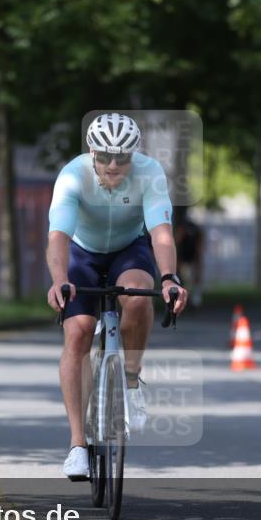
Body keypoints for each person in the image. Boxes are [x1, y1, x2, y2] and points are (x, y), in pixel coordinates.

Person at [46, 113, 188, 480]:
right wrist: (59, 280)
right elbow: (58, 237)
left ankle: (130, 378)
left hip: (130, 250)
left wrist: (170, 278)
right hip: (82, 252)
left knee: (140, 296)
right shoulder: (72, 175)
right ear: (91, 151)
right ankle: (78, 444)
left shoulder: (150, 172)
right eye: (105, 156)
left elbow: (161, 232)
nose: (113, 165)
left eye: (122, 157)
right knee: (77, 332)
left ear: (133, 155)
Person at [174, 216, 204, 308]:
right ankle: (186, 300)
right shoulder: (193, 233)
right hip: (184, 261)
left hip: (188, 260)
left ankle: (189, 300)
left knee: (188, 281)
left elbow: (198, 250)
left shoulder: (193, 234)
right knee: (185, 280)